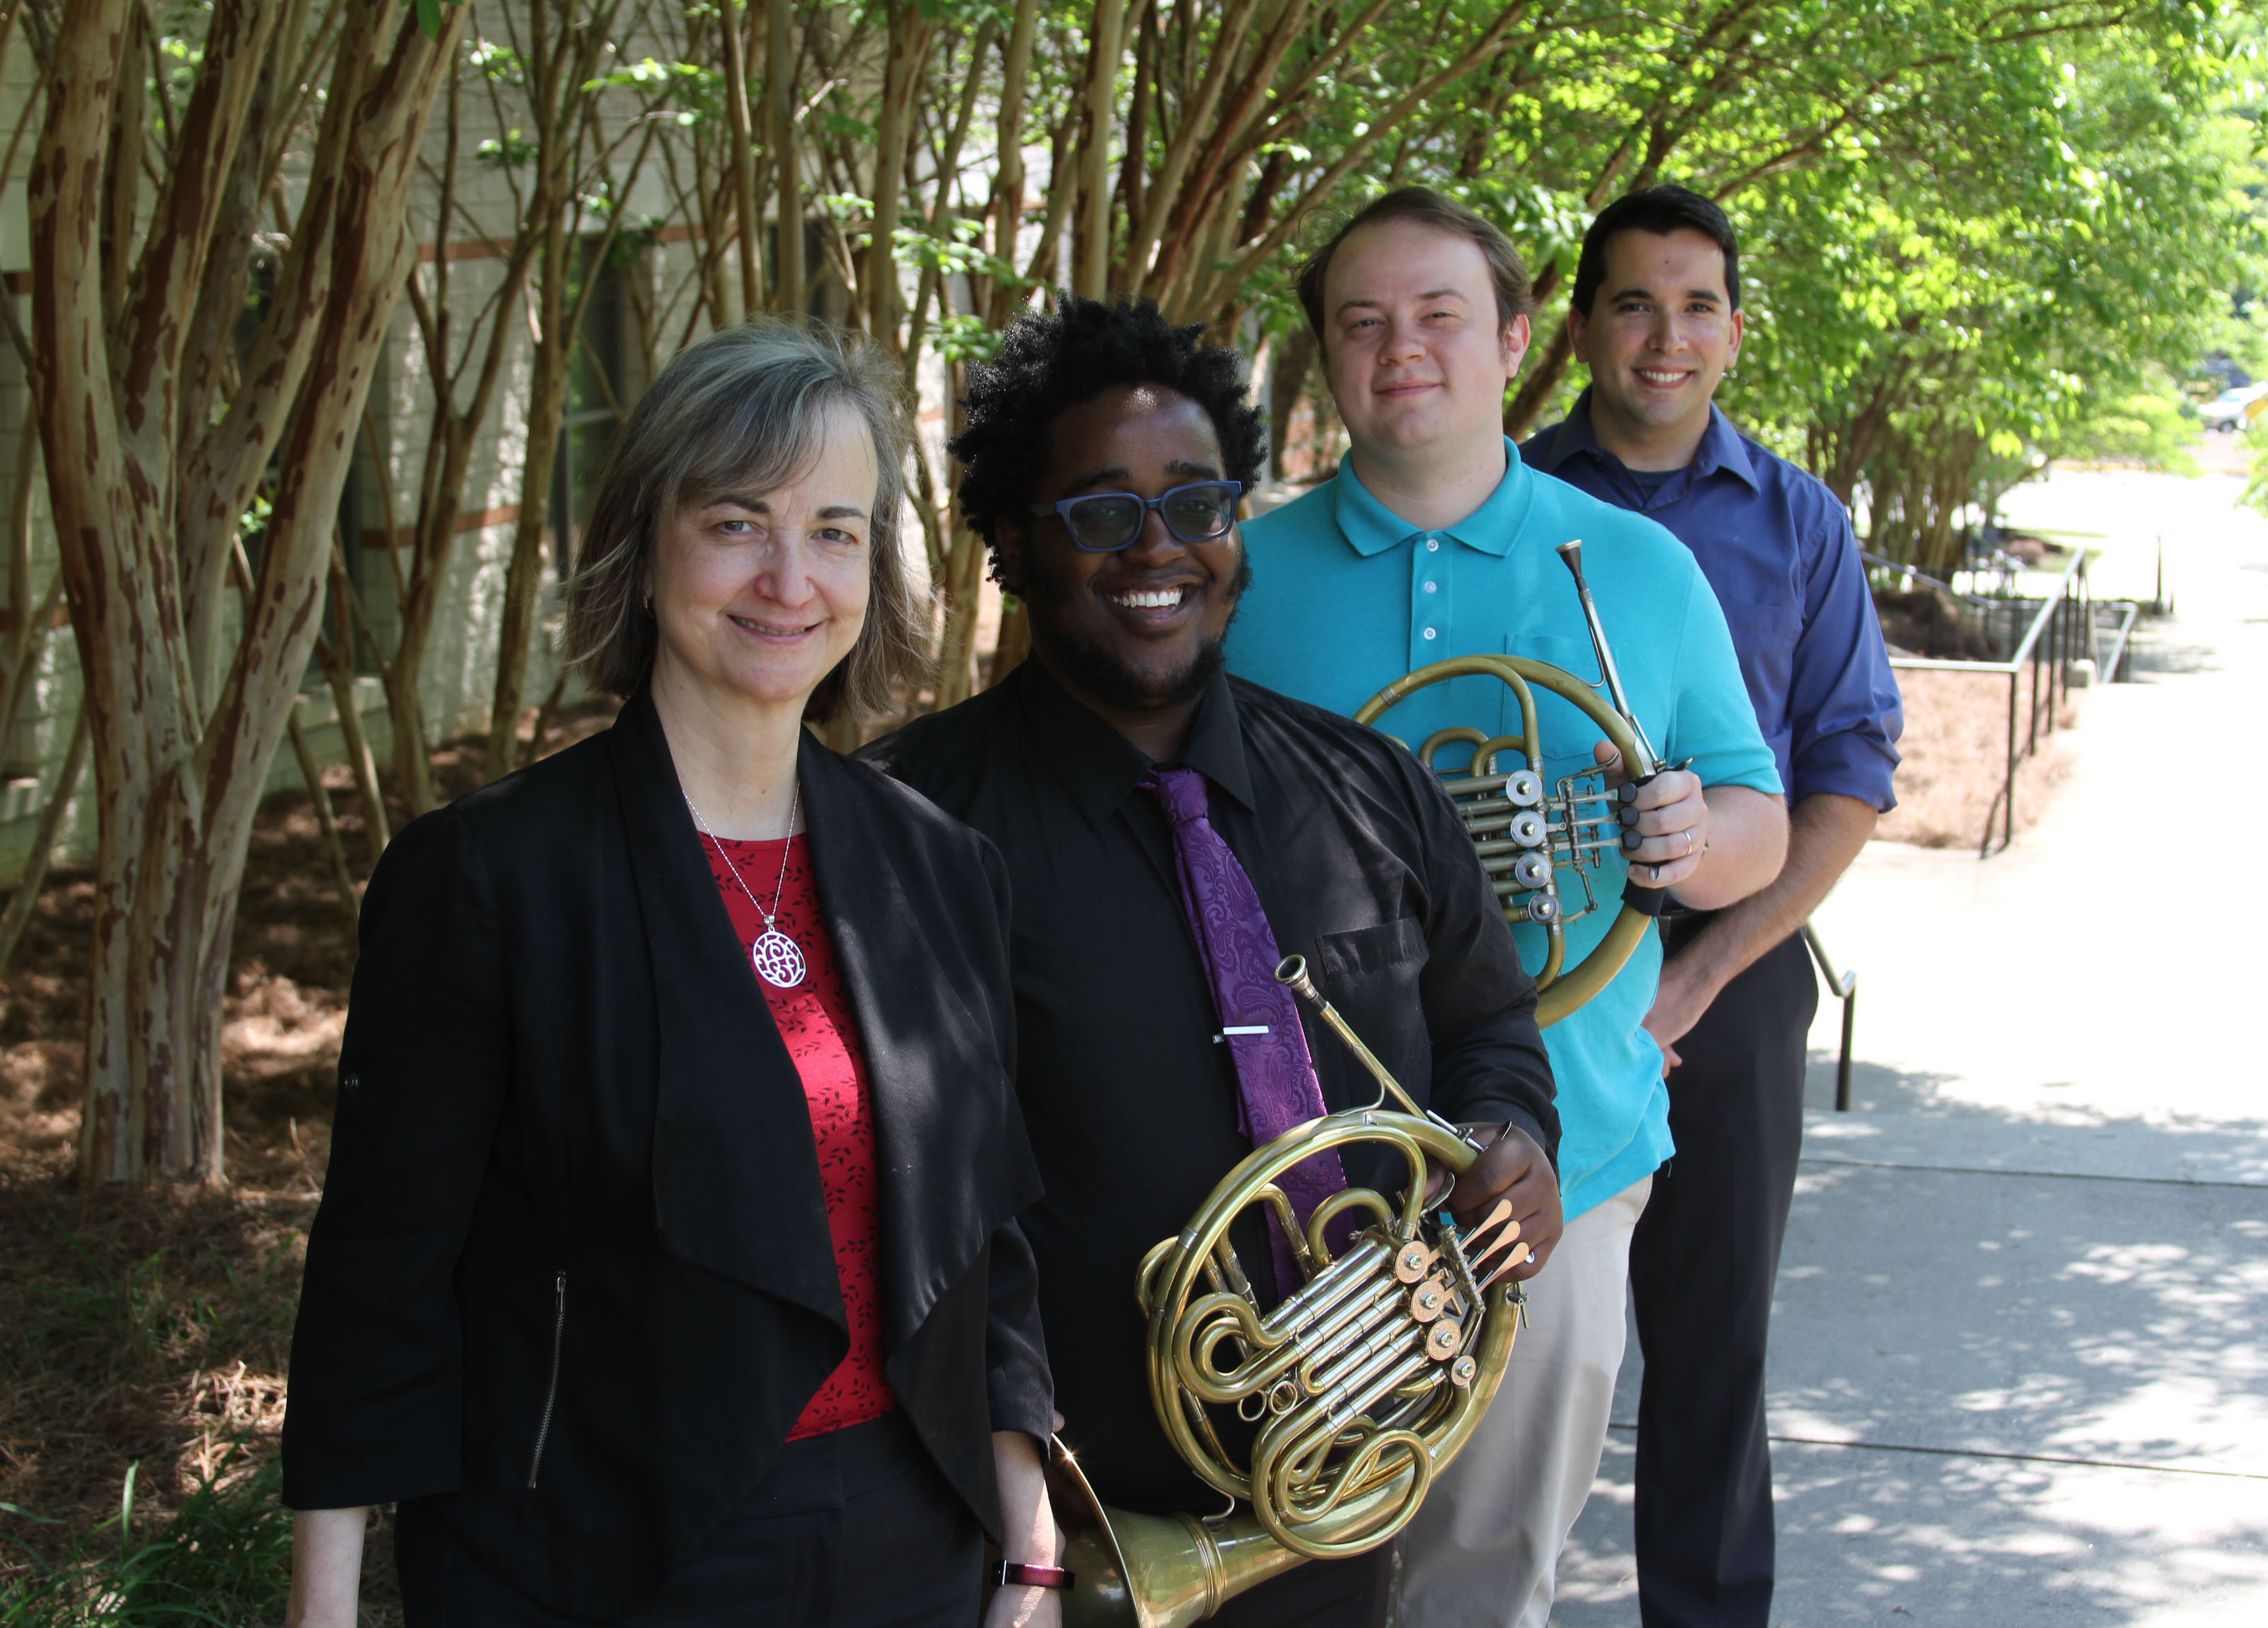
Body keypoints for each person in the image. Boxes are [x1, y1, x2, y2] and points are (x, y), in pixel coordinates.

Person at [279, 320, 1064, 1628]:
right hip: (597, 1557)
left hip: (912, 1544)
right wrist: (324, 1610)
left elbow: (989, 1248)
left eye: (834, 530)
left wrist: (1030, 1546)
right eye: (736, 522)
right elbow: (382, 1279)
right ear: (645, 546)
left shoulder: (941, 867)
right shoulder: (488, 878)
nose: (789, 579)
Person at [859, 294, 1561, 1628]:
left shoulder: (1371, 792)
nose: (1158, 548)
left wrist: (1507, 1136)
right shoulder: (903, 830)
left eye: (1196, 503)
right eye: (1101, 513)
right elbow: (900, 1208)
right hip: (1037, 1538)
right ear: (1011, 540)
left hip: (1343, 1494)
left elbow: (1488, 1030)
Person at [1230, 187, 1789, 1628]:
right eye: (1362, 323)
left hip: (1563, 1149)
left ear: (1515, 341)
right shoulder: (1240, 578)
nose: (1401, 348)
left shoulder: (1640, 569)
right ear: (1326, 356)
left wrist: (1690, 836)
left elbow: (1759, 825)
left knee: (1486, 1588)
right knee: (1297, 1571)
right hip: (1298, 1158)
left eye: (1439, 315)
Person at [1522, 184, 1902, 1628]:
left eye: (1696, 307)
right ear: (1579, 330)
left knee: (1711, 1351)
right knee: (1493, 1338)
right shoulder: (1504, 500)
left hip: (1730, 979)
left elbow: (1847, 780)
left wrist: (1693, 982)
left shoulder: (1801, 524)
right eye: (1632, 304)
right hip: (1526, 984)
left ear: (1735, 333)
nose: (1664, 337)